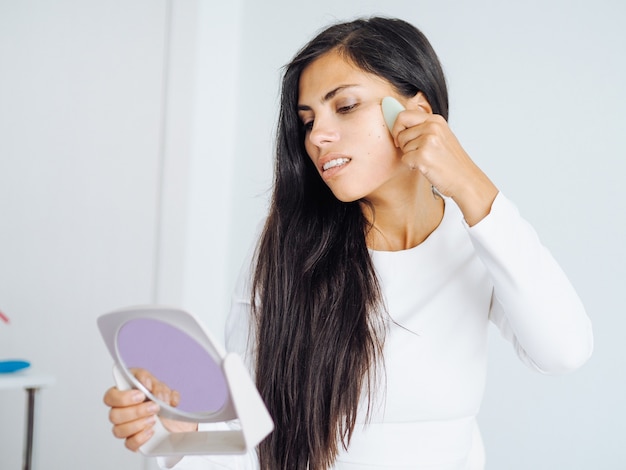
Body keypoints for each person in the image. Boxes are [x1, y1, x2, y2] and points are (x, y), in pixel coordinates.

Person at [104, 16, 593, 470]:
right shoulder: (288, 247)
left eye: (345, 105)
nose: (318, 136)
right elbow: (245, 434)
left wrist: (469, 184)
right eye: (308, 119)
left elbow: (563, 351)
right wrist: (182, 429)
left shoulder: (481, 238)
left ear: (416, 112)